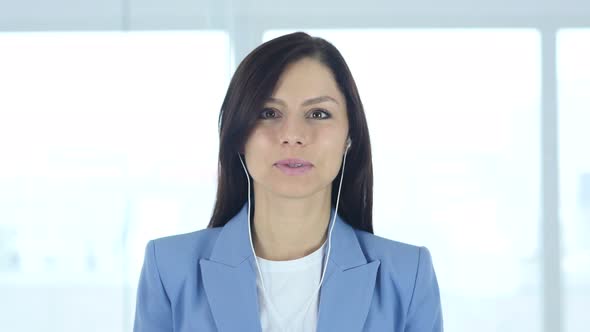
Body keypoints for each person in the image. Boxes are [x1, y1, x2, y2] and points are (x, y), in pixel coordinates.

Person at [133, 31, 443, 332]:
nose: (293, 135)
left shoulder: (407, 276)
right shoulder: (170, 270)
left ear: (350, 136)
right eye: (268, 112)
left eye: (319, 114)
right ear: (238, 134)